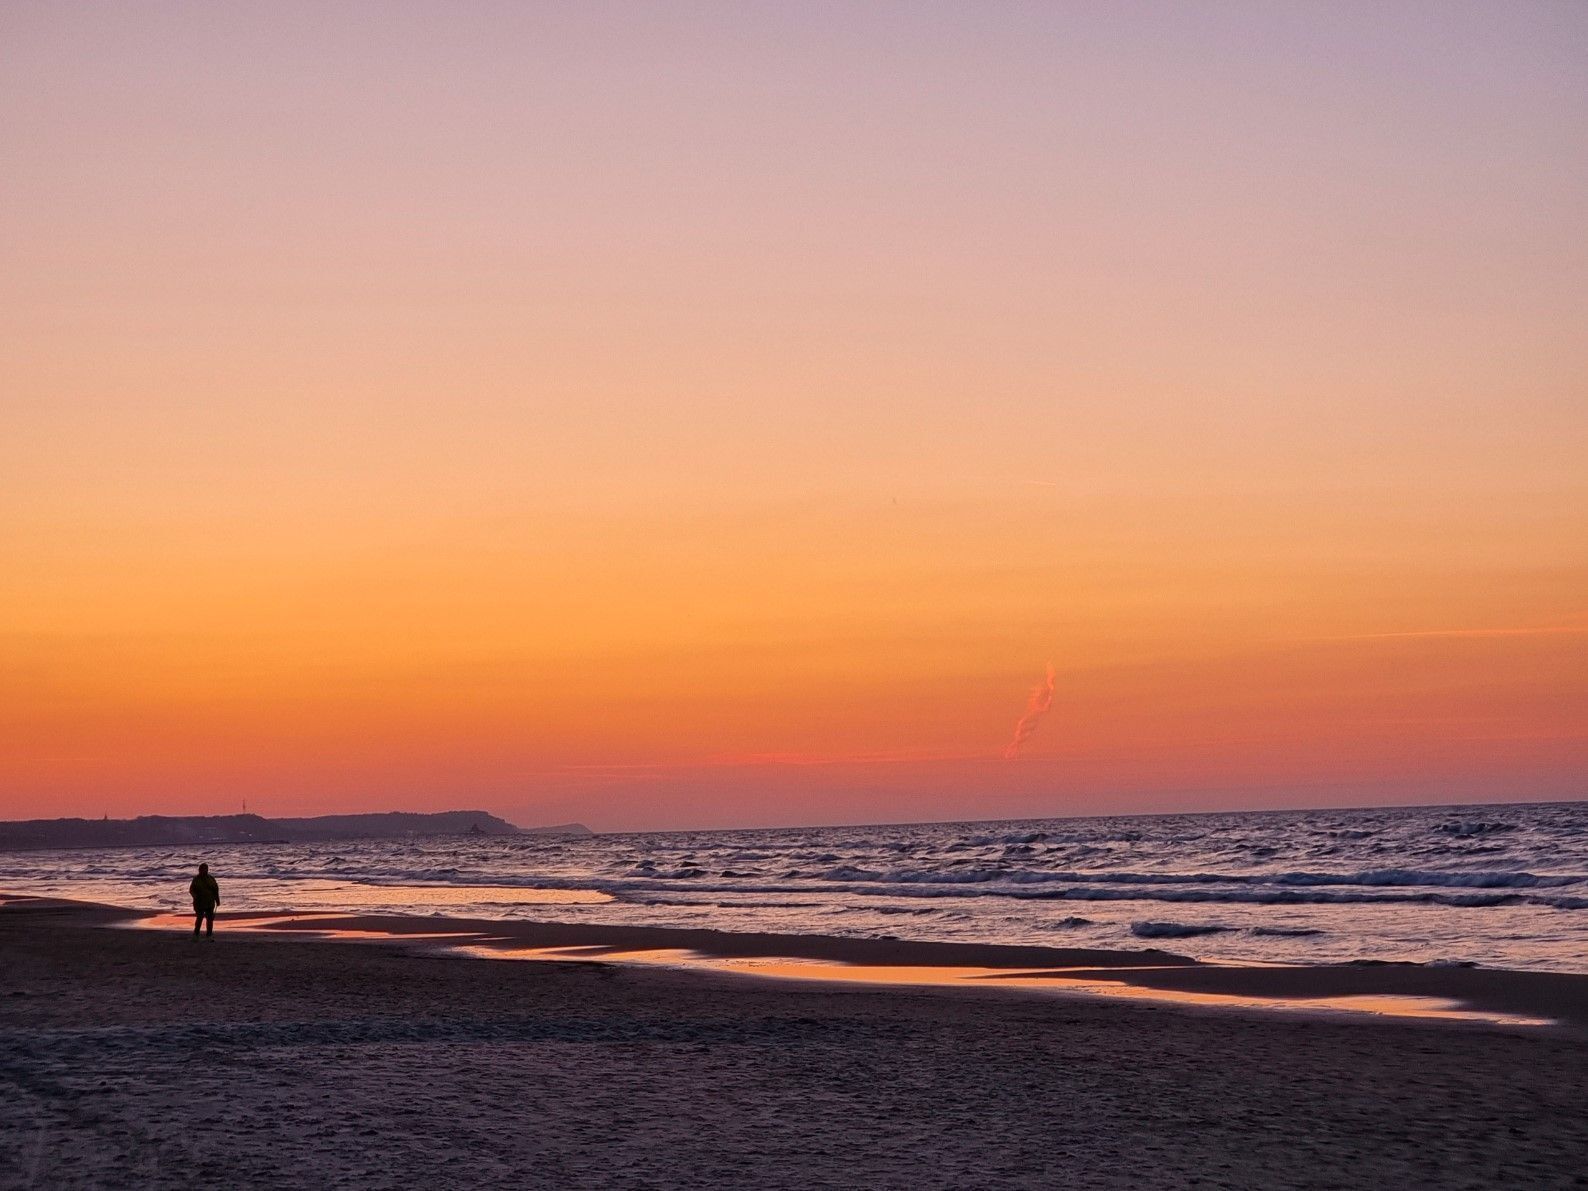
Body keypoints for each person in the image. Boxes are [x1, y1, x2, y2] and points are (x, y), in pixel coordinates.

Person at [189, 863, 220, 938]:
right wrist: (195, 897)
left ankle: (209, 934)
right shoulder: (196, 879)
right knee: (199, 918)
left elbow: (216, 890)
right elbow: (191, 890)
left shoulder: (211, 879)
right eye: (202, 869)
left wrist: (217, 900)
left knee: (210, 919)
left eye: (205, 869)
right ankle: (196, 934)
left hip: (210, 902)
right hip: (199, 902)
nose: (204, 870)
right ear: (199, 870)